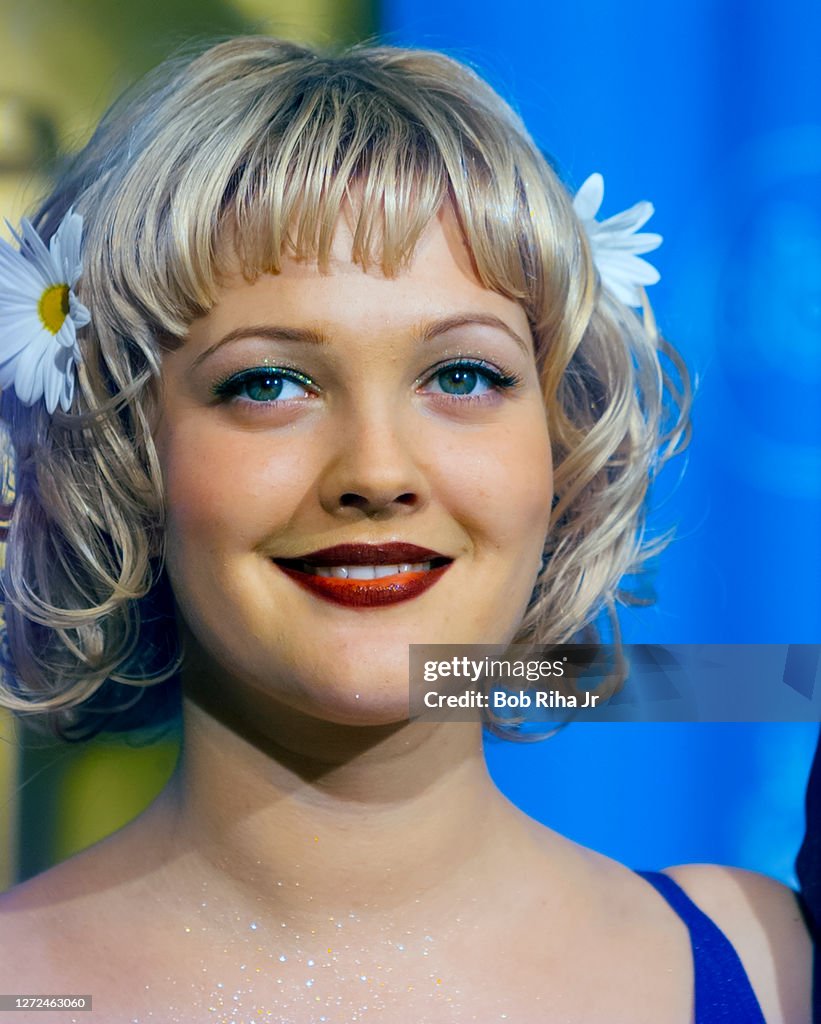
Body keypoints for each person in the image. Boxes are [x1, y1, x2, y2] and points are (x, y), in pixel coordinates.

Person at [0, 36, 811, 1023]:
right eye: (268, 383)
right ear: (122, 451)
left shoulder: (766, 961)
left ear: (559, 447)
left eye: (461, 376)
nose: (377, 472)